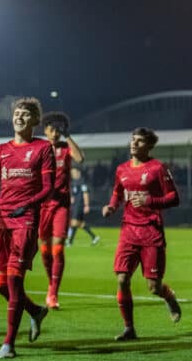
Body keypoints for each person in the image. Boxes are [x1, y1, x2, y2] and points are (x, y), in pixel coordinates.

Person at [0, 97, 55, 358]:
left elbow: (48, 188)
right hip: (2, 221)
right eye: (17, 112)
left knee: (14, 282)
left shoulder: (43, 148)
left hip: (24, 223)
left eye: (26, 114)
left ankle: (8, 344)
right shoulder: (2, 150)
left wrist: (27, 205)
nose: (19, 116)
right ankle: (36, 312)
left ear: (35, 120)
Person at [102, 127, 181, 341]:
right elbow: (118, 192)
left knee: (153, 286)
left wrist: (150, 201)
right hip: (129, 230)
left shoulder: (157, 168)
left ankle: (169, 297)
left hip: (151, 231)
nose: (134, 144)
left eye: (139, 141)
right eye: (132, 140)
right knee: (122, 279)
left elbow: (174, 198)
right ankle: (129, 328)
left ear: (149, 146)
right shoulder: (122, 169)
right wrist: (111, 206)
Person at [38, 112, 84, 309]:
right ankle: (51, 283)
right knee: (45, 250)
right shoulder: (39, 148)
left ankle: (53, 292)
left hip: (61, 205)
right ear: (45, 130)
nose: (55, 133)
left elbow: (80, 158)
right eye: (52, 129)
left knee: (58, 247)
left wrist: (68, 136)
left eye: (59, 130)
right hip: (42, 205)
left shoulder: (65, 148)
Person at [66, 166, 100, 247]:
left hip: (79, 205)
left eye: (74, 172)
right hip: (75, 205)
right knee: (80, 224)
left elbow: (85, 194)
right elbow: (74, 194)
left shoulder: (82, 182)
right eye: (72, 173)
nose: (73, 174)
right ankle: (94, 237)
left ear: (78, 173)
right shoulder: (74, 182)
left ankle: (70, 242)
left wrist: (87, 205)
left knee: (74, 222)